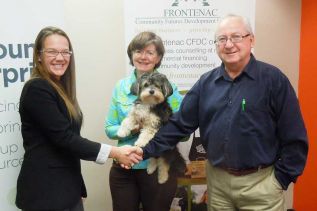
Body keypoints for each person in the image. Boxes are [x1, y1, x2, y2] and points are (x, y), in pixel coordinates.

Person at [139, 14, 308, 211]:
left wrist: (281, 179)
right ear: (216, 45)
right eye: (222, 39)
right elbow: (179, 124)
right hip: (218, 186)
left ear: (251, 40)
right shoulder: (206, 83)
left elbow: (294, 136)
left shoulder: (274, 80)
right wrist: (143, 151)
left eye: (236, 37)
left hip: (262, 187)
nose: (228, 45)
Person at [15, 26, 142, 211]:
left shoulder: (59, 88)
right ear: (38, 55)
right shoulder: (37, 89)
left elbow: (68, 147)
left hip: (66, 190)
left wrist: (78, 188)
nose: (60, 58)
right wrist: (115, 152)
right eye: (52, 51)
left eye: (65, 52)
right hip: (45, 194)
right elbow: (65, 138)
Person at [105, 31, 183, 211]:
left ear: (158, 57)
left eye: (150, 52)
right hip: (125, 167)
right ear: (131, 55)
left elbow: (182, 132)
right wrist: (135, 128)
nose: (143, 57)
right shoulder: (121, 87)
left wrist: (158, 125)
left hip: (157, 167)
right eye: (138, 51)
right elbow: (109, 129)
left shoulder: (169, 88)